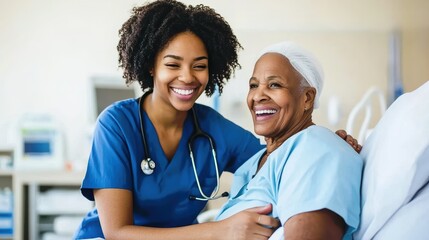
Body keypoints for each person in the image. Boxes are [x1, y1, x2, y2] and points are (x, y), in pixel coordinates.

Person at [74, 1, 360, 239]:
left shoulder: (212, 129)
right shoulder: (116, 124)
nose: (187, 77)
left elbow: (280, 155)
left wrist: (327, 142)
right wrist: (220, 229)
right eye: (172, 64)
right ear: (150, 65)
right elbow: (116, 232)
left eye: (199, 66)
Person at [215, 41, 363, 240]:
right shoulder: (254, 162)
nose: (258, 95)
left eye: (274, 85)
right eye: (253, 85)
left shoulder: (316, 149)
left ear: (307, 98)